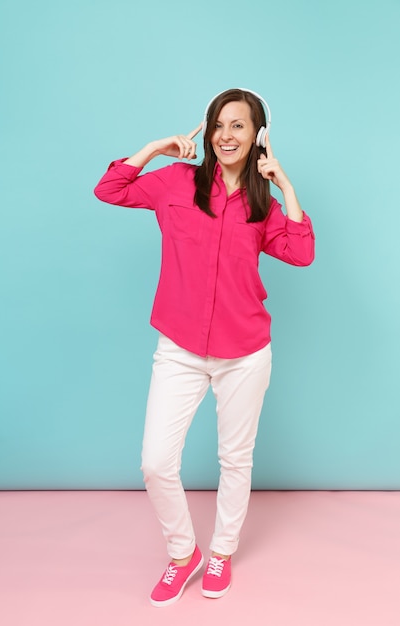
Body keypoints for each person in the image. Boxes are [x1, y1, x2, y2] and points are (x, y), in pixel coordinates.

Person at [94, 88, 315, 606]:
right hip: (180, 347)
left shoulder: (261, 203)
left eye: (239, 126)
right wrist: (152, 149)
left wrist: (284, 186)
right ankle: (182, 553)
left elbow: (301, 253)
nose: (225, 135)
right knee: (155, 462)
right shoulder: (176, 183)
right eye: (219, 124)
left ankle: (221, 552)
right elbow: (110, 188)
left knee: (235, 459)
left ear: (258, 136)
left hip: (245, 351)